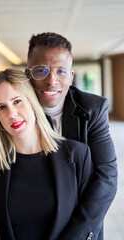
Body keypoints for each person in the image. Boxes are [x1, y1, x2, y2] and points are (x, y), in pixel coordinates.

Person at [0, 68, 93, 240]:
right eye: (2, 107)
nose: (12, 114)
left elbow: (87, 220)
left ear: (32, 102)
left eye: (17, 101)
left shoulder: (78, 155)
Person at [24, 32, 117, 240]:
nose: (51, 81)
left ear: (71, 76)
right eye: (41, 71)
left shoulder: (93, 108)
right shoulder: (13, 107)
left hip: (79, 223)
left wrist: (75, 235)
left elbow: (106, 177)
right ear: (27, 74)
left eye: (61, 71)